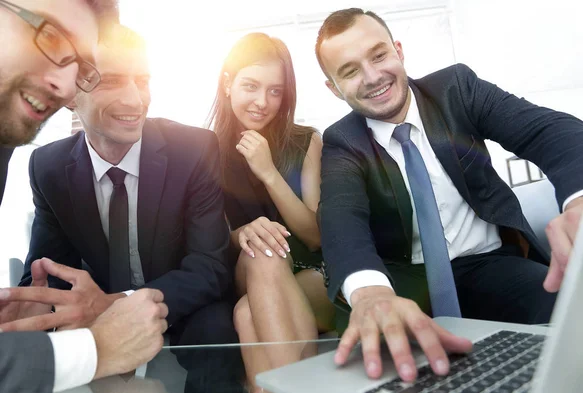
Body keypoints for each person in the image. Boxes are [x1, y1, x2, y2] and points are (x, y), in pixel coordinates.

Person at [315, 8, 583, 383]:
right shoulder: (341, 142)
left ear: (398, 51)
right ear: (334, 88)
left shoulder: (456, 89)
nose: (372, 77)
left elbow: (550, 132)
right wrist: (370, 295)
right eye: (350, 71)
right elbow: (341, 221)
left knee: (575, 312)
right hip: (407, 287)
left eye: (379, 55)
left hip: (491, 265)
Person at [17, 23, 236, 348]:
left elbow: (210, 267)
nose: (135, 100)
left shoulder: (194, 149)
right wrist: (31, 306)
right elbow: (50, 269)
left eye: (142, 81)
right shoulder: (48, 167)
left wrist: (119, 304)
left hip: (182, 305)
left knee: (217, 330)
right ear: (68, 95)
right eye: (112, 81)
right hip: (100, 314)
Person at [0, 1, 168, 392]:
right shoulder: (44, 163)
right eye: (50, 35)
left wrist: (32, 309)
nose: (64, 84)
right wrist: (96, 349)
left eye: (80, 67)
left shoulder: (4, 140)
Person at [207, 32, 335, 391]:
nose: (262, 102)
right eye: (251, 86)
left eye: (275, 91)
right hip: (246, 267)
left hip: (310, 274)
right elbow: (205, 237)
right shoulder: (203, 150)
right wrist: (242, 232)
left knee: (247, 314)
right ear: (228, 83)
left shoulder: (306, 141)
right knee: (264, 250)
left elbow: (314, 235)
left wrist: (268, 171)